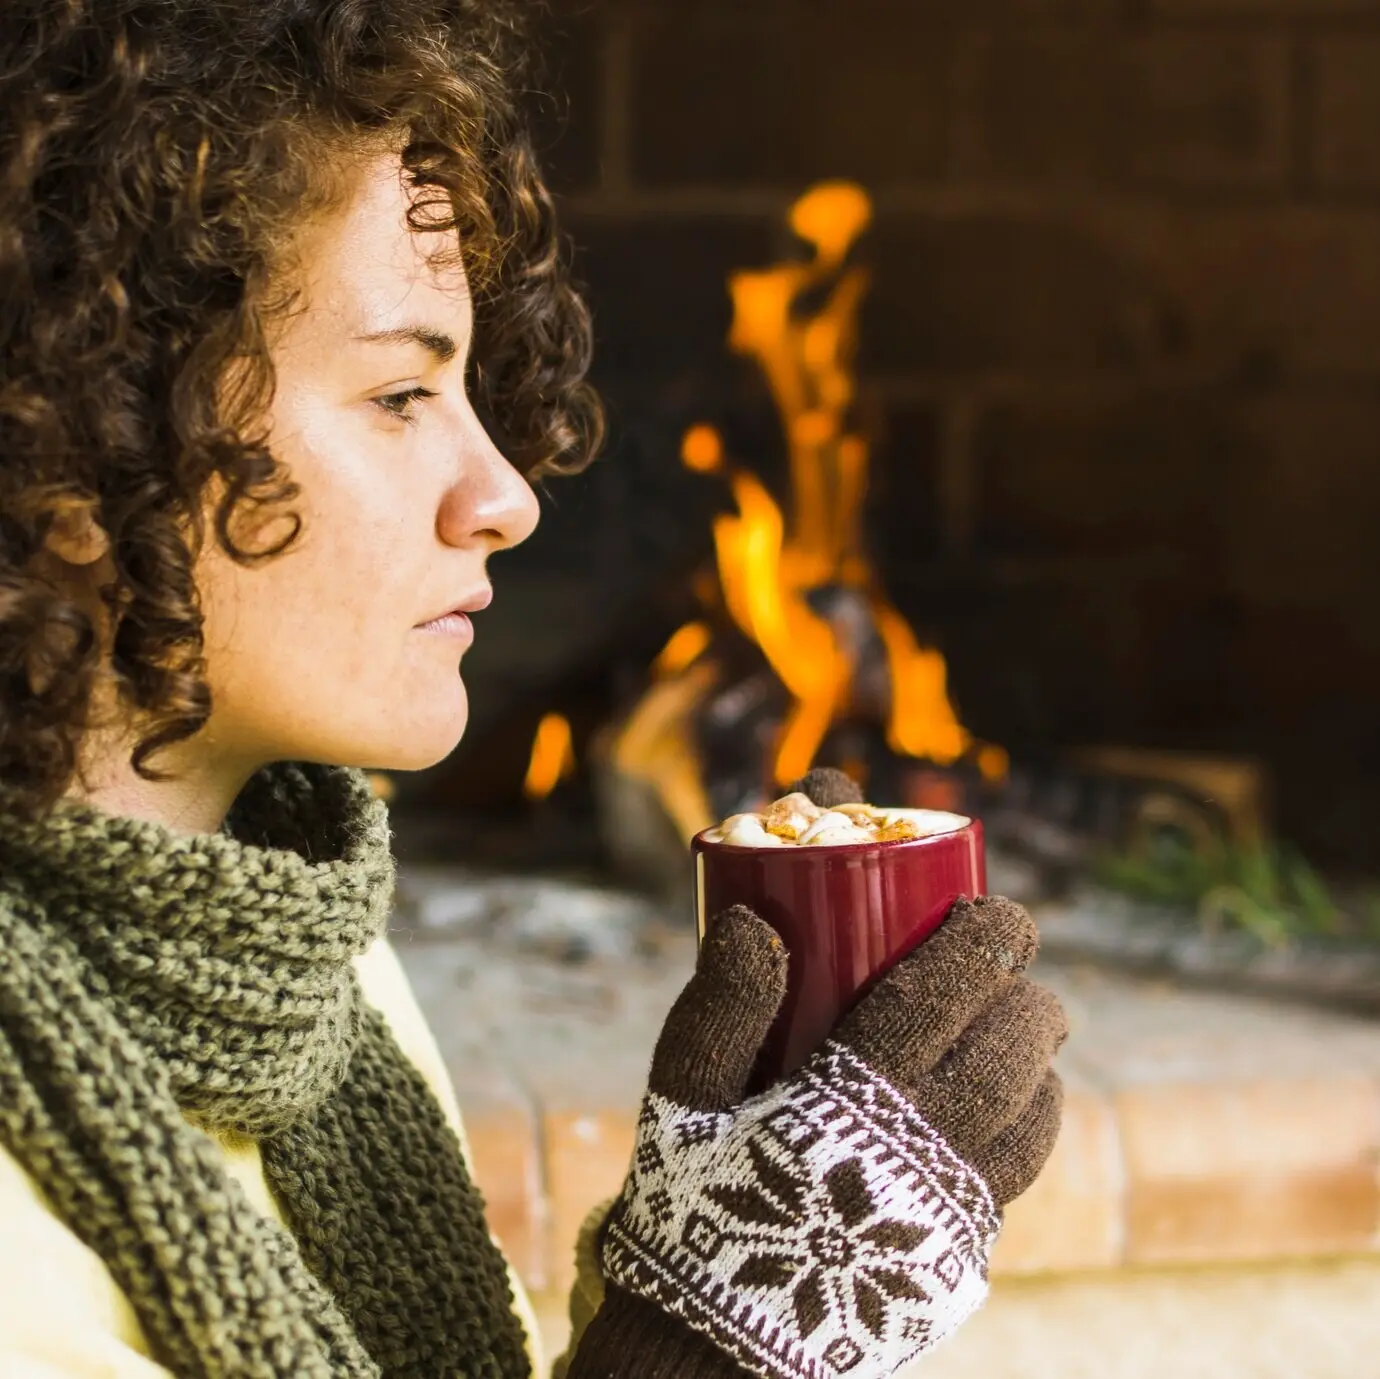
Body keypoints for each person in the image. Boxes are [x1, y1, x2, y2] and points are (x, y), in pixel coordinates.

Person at [0, 3, 1067, 1377]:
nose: (504, 495)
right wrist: (697, 1348)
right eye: (396, 396)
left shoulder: (320, 962)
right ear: (71, 441)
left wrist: (705, 1254)